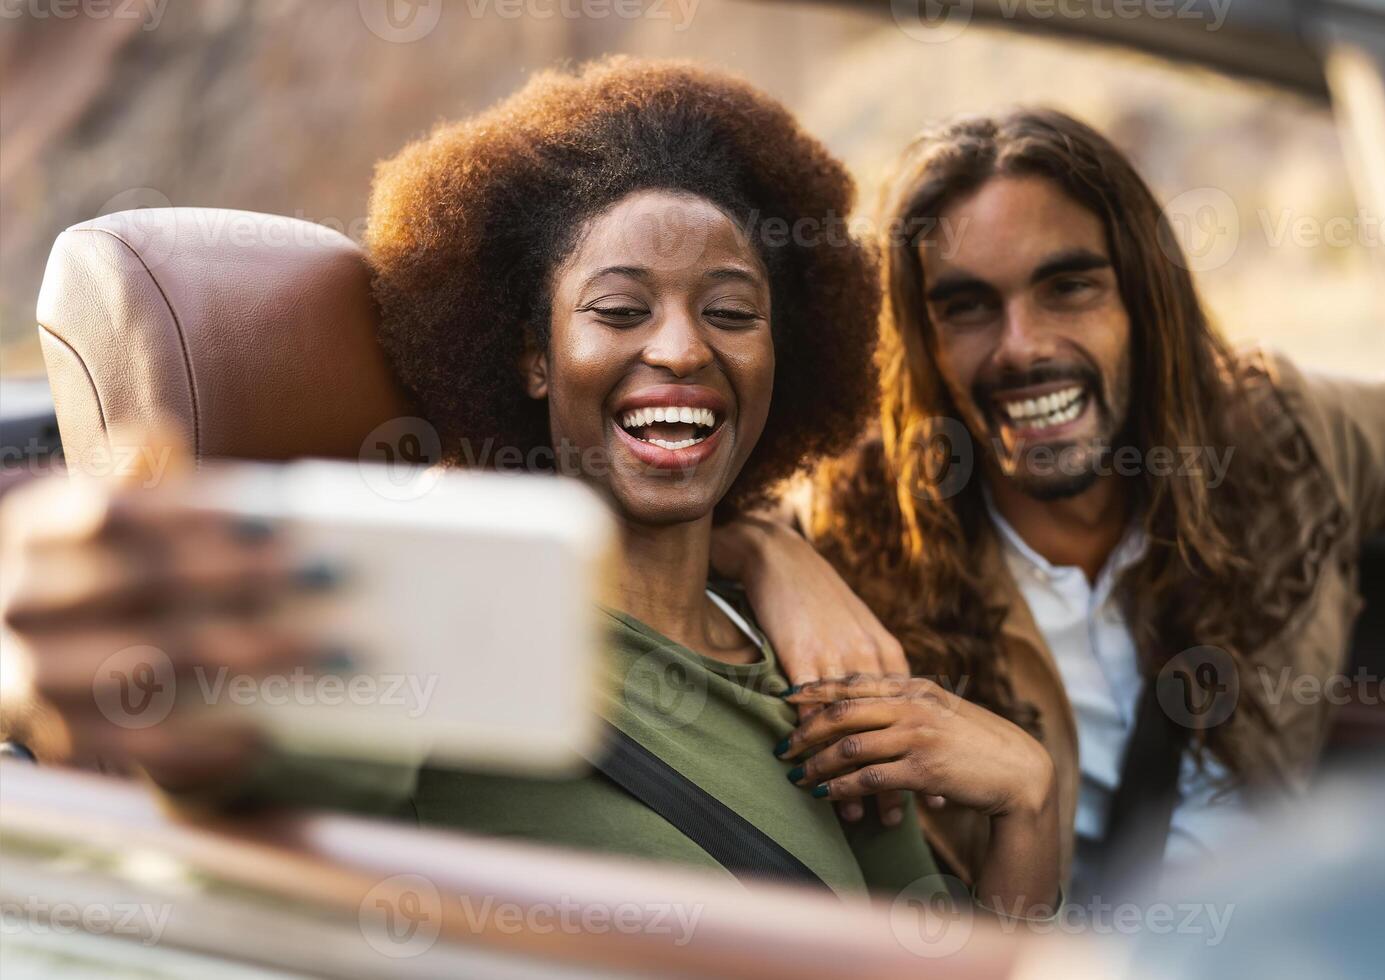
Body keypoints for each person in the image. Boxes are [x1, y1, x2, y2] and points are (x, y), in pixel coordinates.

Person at [0, 60, 1060, 911]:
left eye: (731, 311)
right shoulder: (451, 619)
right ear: (532, 357)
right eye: (619, 310)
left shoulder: (816, 664)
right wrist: (125, 649)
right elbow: (260, 758)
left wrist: (1025, 796)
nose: (682, 348)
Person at [713, 109, 1385, 898]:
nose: (1022, 345)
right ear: (921, 340)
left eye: (1067, 287)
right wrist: (767, 551)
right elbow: (639, 524)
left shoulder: (1287, 439)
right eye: (966, 307)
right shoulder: (860, 524)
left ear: (1143, 297)